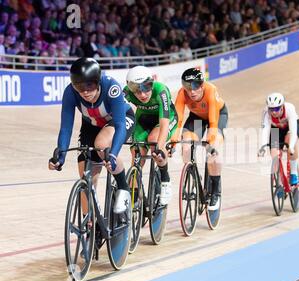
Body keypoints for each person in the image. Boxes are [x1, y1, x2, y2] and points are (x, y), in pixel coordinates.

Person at [48, 57, 135, 215]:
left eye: (90, 86)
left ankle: (123, 188)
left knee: (102, 145)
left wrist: (113, 155)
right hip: (91, 125)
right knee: (86, 178)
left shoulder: (111, 87)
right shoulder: (70, 92)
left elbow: (120, 125)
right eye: (80, 87)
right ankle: (91, 225)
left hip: (119, 120)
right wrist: (60, 156)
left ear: (98, 82)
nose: (85, 92)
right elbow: (66, 128)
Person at [172, 68, 228, 211]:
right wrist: (173, 141)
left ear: (202, 85)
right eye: (187, 86)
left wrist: (211, 142)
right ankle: (194, 176)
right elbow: (177, 121)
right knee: (186, 147)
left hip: (217, 115)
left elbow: (213, 122)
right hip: (197, 118)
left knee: (212, 152)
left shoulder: (210, 90)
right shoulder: (182, 94)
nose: (192, 91)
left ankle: (215, 190)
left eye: (196, 86)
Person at [124, 65, 178, 205]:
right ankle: (134, 195)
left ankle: (165, 181)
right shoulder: (126, 93)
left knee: (154, 142)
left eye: (146, 88)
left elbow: (164, 123)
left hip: (166, 119)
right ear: (130, 88)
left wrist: (160, 147)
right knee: (137, 154)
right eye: (137, 90)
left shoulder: (161, 91)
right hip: (143, 120)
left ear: (152, 83)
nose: (142, 95)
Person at [257, 92, 299, 185]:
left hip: (290, 128)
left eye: (277, 109)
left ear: (282, 106)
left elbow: (293, 131)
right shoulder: (266, 112)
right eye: (271, 109)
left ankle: (294, 173)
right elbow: (265, 130)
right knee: (274, 154)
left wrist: (291, 147)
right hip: (276, 129)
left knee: (290, 143)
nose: (273, 112)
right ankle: (279, 182)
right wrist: (263, 147)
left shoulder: (289, 109)